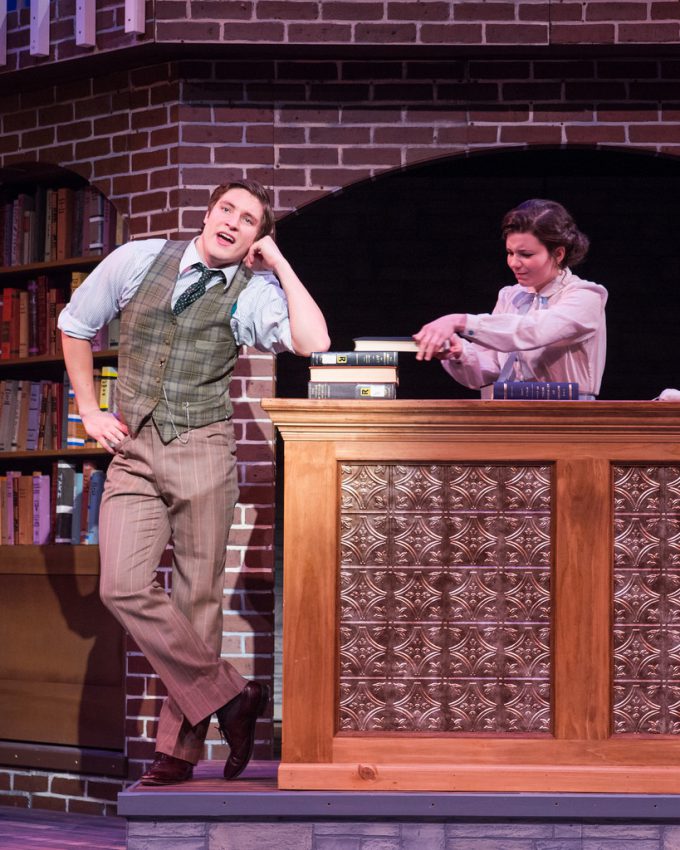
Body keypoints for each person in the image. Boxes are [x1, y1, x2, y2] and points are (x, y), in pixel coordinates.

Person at [59, 179, 330, 785]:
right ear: (208, 214)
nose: (232, 223)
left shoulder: (252, 293)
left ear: (257, 238)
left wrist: (280, 264)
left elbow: (314, 340)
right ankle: (233, 697)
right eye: (226, 210)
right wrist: (89, 409)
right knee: (122, 586)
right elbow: (74, 325)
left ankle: (176, 756)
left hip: (203, 449)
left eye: (249, 221)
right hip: (133, 447)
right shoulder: (138, 259)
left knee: (196, 600)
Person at [413, 199, 607, 400]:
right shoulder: (511, 296)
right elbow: (491, 369)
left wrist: (460, 321)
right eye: (510, 252)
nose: (514, 263)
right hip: (510, 413)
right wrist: (459, 352)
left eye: (525, 254)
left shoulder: (586, 296)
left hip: (569, 417)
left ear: (558, 254)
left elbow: (533, 330)